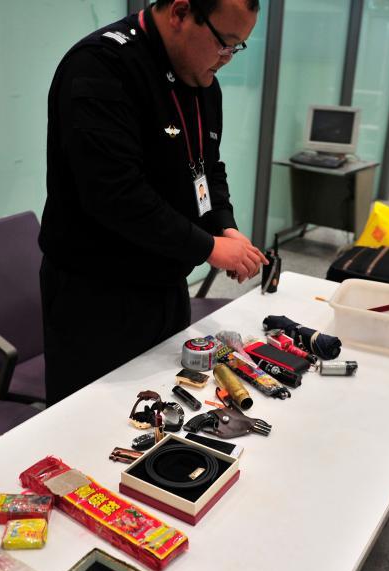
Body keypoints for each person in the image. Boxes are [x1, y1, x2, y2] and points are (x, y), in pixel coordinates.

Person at [39, 0, 267, 406]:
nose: (227, 58)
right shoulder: (101, 67)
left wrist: (224, 226)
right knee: (93, 421)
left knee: (167, 408)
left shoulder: (201, 79)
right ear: (180, 13)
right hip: (99, 298)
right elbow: (116, 196)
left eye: (238, 47)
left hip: (166, 284)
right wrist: (210, 248)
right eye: (224, 42)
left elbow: (207, 166)